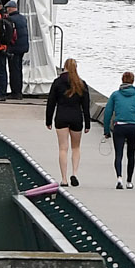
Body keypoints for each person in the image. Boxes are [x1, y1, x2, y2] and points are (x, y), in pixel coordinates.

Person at [43, 58, 92, 186]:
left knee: (63, 148)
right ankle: (74, 173)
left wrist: (48, 120)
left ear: (64, 67)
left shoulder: (58, 82)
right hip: (76, 118)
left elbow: (51, 103)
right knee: (76, 147)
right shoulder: (81, 84)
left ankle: (64, 178)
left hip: (61, 117)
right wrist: (87, 123)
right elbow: (86, 106)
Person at [104, 70, 135, 190]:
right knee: (131, 155)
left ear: (122, 80)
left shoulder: (115, 95)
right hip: (133, 127)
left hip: (119, 127)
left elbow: (107, 113)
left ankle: (119, 178)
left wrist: (106, 130)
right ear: (133, 81)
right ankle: (129, 181)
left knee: (118, 154)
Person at [1, 0, 29, 97]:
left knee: (13, 70)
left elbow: (9, 34)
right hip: (23, 47)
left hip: (14, 47)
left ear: (10, 8)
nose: (7, 10)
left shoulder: (10, 19)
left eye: (7, 8)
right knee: (18, 69)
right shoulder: (23, 18)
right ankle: (18, 91)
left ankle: (15, 92)